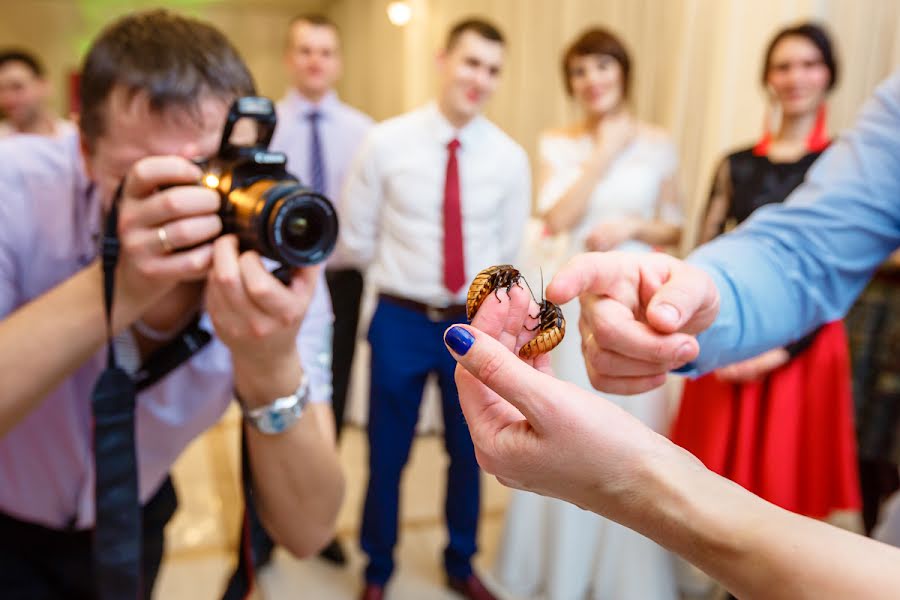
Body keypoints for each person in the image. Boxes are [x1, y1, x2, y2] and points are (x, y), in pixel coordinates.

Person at [442, 66, 900, 598]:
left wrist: (642, 486)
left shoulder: (655, 143)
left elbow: (674, 220)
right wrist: (700, 291)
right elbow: (811, 244)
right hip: (608, 296)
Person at [0, 10, 343, 599]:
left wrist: (269, 367)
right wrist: (118, 288)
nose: (186, 209)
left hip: (134, 520)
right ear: (82, 150)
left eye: (210, 174)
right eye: (156, 181)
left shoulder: (277, 267)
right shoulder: (16, 189)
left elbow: (309, 528)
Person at [338, 17, 530, 600]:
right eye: (472, 63)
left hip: (472, 326)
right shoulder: (385, 141)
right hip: (398, 317)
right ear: (443, 60)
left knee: (472, 451)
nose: (481, 78)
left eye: (493, 69)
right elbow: (358, 236)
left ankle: (461, 560)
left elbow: (509, 251)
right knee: (386, 453)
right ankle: (377, 567)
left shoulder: (509, 158)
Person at [495, 27, 681, 600]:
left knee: (634, 430)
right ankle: (561, 571)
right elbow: (553, 218)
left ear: (623, 71)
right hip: (576, 305)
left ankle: (624, 576)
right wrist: (604, 155)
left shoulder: (659, 141)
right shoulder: (557, 141)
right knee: (573, 426)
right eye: (580, 71)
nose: (592, 80)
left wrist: (632, 226)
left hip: (635, 298)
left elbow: (674, 222)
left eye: (602, 66)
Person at [670, 23, 860, 523]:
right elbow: (704, 250)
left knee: (784, 494)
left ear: (828, 75)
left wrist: (775, 350)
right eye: (783, 65)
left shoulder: (843, 163)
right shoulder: (734, 164)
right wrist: (719, 337)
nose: (796, 76)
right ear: (768, 78)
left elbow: (839, 263)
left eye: (809, 64)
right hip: (732, 334)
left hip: (805, 345)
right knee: (714, 494)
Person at [251, 11, 373, 568]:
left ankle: (316, 513)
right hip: (276, 279)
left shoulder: (365, 131)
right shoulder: (264, 128)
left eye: (325, 51)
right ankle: (258, 526)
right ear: (289, 58)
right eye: (305, 50)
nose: (315, 61)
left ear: (339, 61)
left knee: (335, 392)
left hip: (342, 280)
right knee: (266, 395)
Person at [0, 48, 75, 138]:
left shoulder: (75, 136)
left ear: (44, 85)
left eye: (17, 87)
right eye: (1, 90)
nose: (8, 98)